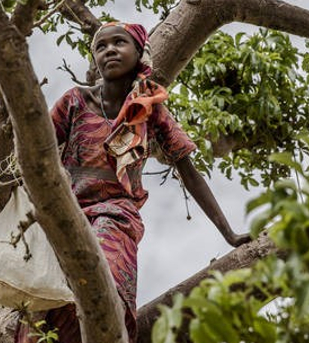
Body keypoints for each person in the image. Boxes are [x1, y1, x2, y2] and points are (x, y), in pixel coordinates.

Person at [15, 22, 250, 343]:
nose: (110, 49)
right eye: (101, 46)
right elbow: (33, 149)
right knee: (46, 308)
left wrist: (229, 234)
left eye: (119, 43)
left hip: (117, 215)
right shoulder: (75, 101)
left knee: (103, 280)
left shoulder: (150, 109)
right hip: (65, 214)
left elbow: (190, 173)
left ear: (139, 53)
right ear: (94, 60)